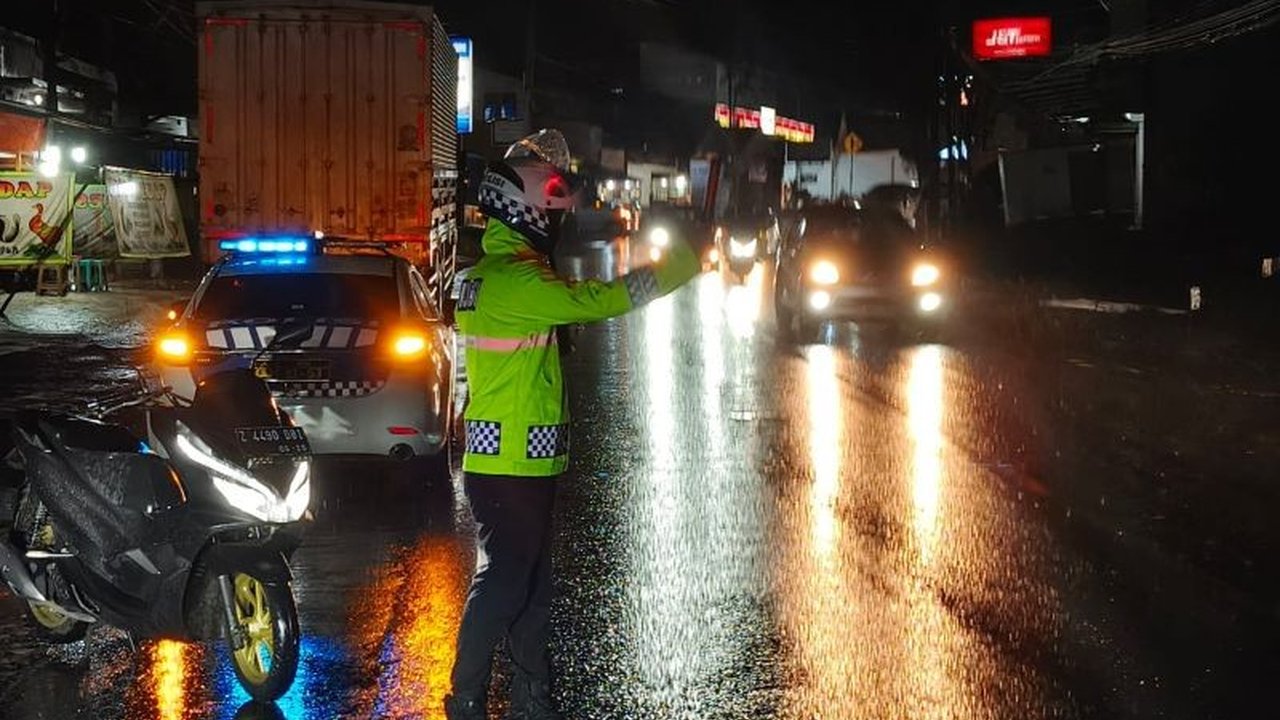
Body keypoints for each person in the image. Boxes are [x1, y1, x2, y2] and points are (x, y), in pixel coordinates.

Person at [444, 129, 700, 720]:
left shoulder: (494, 273)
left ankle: (534, 697)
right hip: (510, 462)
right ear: (525, 212)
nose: (553, 223)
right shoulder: (520, 282)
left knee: (532, 586)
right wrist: (679, 265)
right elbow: (600, 300)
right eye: (547, 212)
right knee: (509, 581)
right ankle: (466, 698)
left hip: (514, 458)